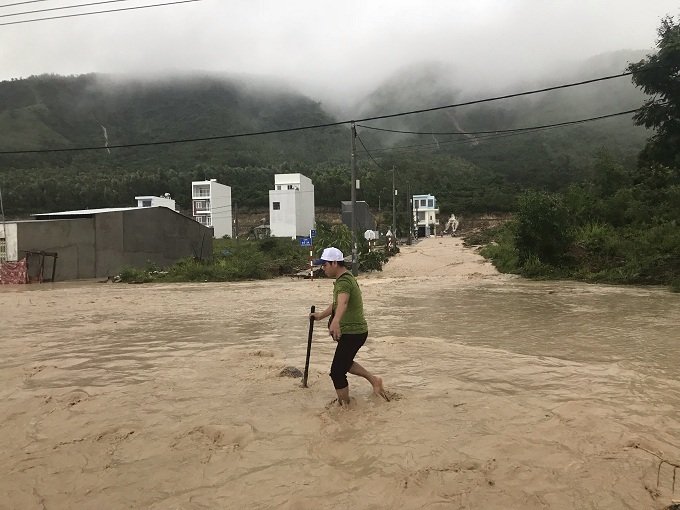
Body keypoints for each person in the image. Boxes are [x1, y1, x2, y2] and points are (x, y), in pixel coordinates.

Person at [310, 247, 387, 405]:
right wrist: (320, 316)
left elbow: (343, 303)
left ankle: (345, 406)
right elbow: (337, 303)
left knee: (337, 372)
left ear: (334, 263)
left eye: (325, 265)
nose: (322, 268)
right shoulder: (344, 279)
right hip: (355, 331)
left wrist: (336, 321)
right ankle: (375, 381)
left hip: (354, 332)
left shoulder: (344, 281)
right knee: (345, 363)